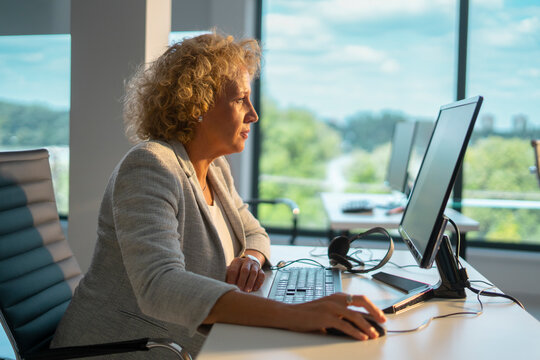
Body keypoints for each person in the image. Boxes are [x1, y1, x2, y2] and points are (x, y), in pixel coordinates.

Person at [51, 32, 386, 358]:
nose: (253, 114)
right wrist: (295, 314)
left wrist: (251, 259)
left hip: (180, 343)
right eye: (241, 99)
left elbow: (254, 232)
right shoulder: (150, 166)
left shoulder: (215, 168)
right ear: (198, 102)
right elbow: (160, 285)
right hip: (120, 349)